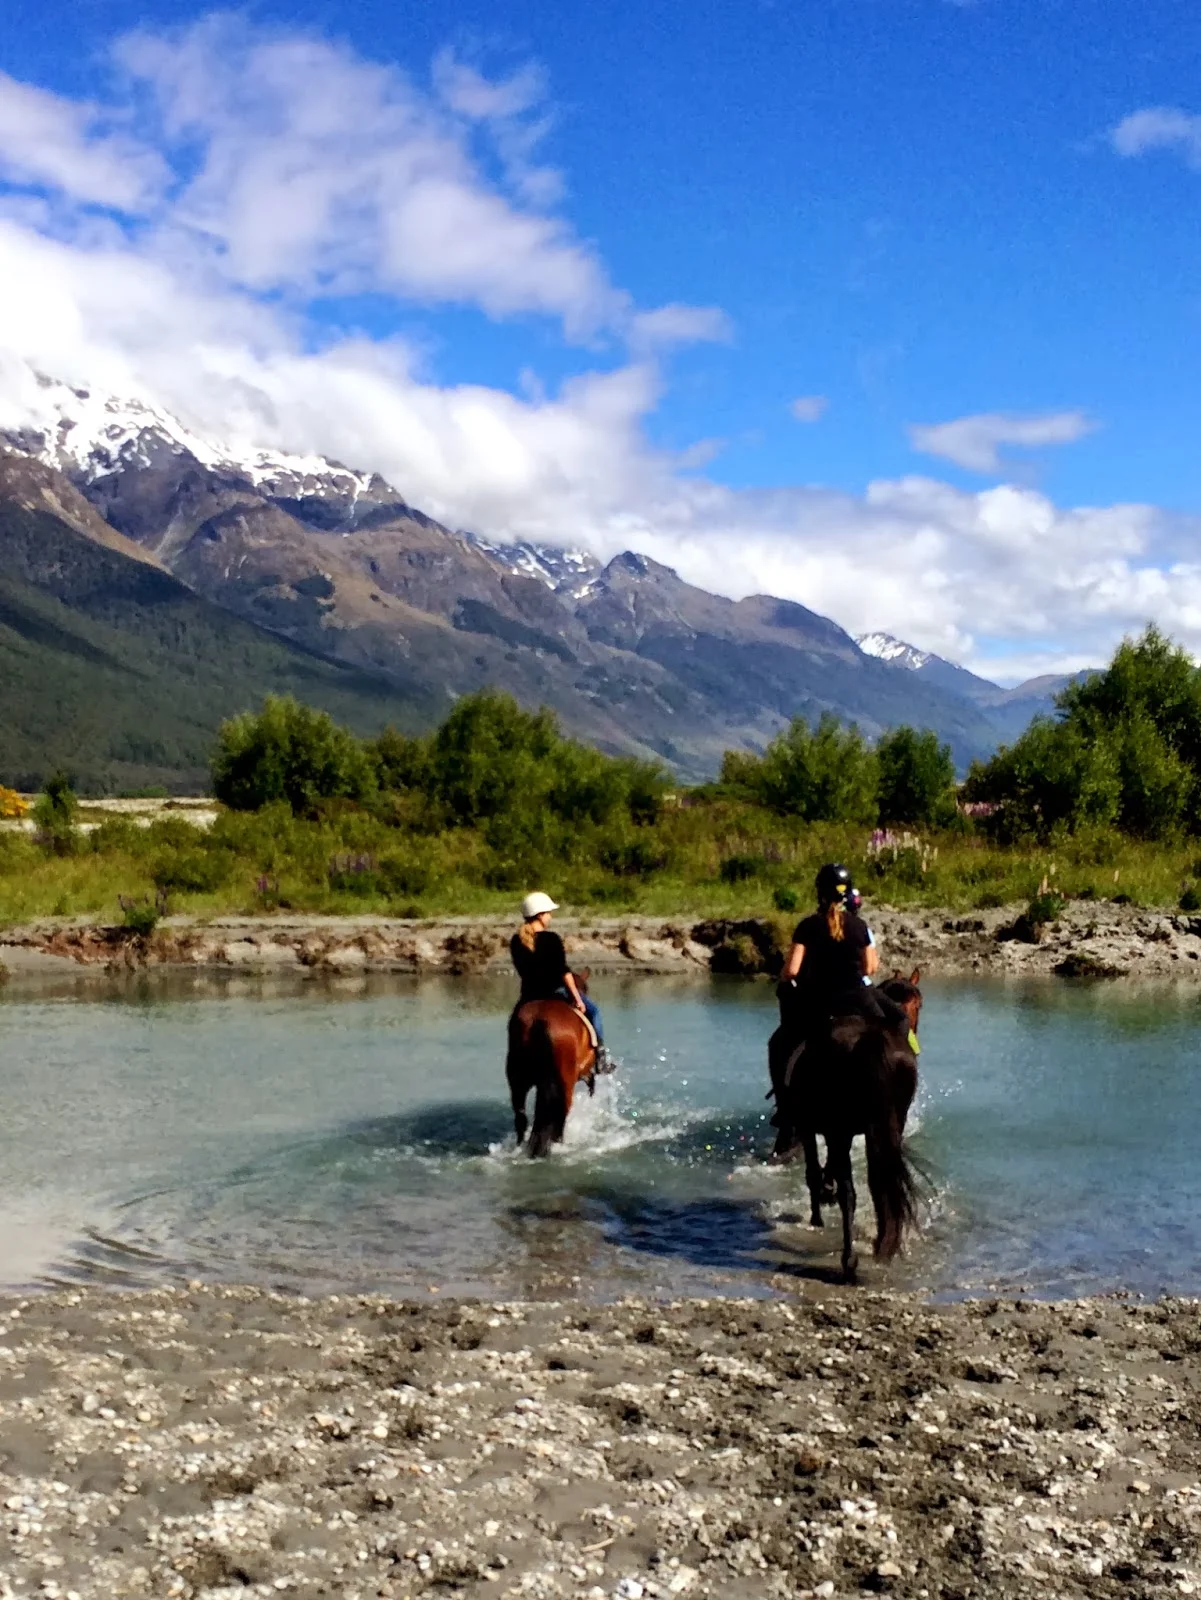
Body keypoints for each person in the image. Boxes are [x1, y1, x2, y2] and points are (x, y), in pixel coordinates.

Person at [769, 864, 904, 1103]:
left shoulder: (808, 926)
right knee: (898, 1022)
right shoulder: (860, 926)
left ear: (819, 892)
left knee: (779, 1043)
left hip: (819, 1001)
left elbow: (791, 971)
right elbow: (869, 969)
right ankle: (899, 1094)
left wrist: (784, 977)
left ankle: (785, 1104)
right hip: (859, 999)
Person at [510, 892, 609, 1068]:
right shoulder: (552, 939)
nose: (550, 916)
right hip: (556, 991)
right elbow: (563, 972)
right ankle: (601, 1057)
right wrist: (577, 999)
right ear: (540, 915)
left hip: (529, 995)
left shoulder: (516, 940)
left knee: (514, 1024)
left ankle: (516, 1063)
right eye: (548, 913)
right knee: (594, 1012)